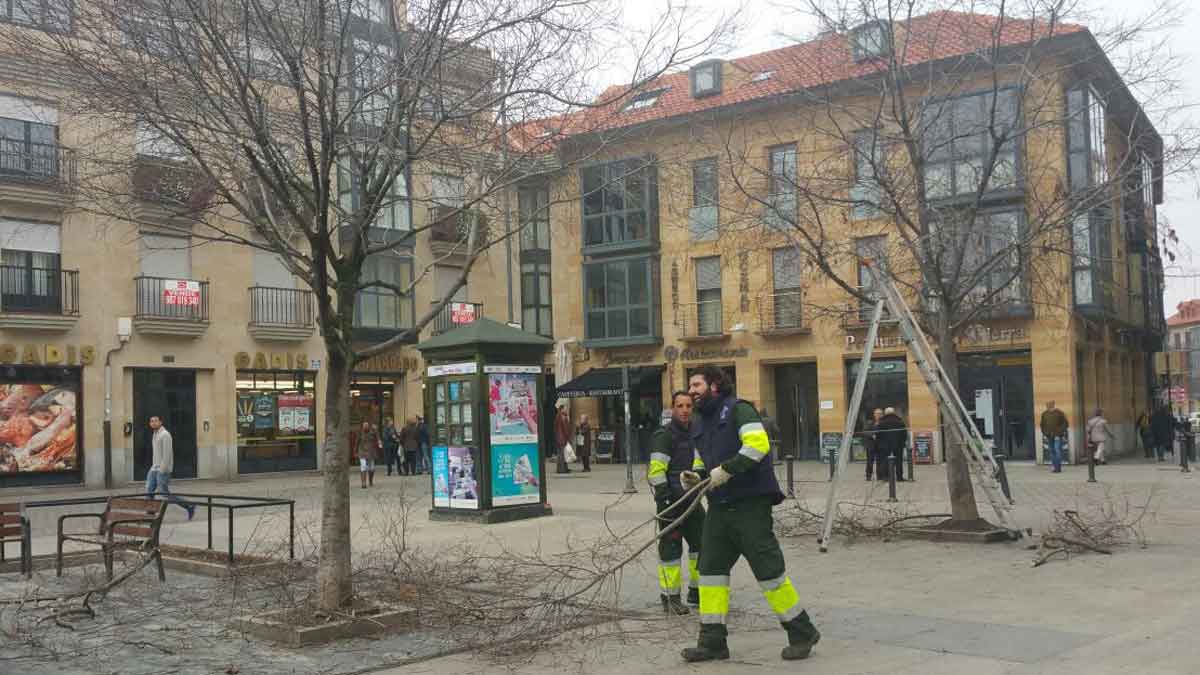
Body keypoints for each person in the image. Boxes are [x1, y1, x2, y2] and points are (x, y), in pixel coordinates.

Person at [678, 366, 819, 663]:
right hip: (719, 507)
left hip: (750, 504)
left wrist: (726, 471)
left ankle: (801, 631)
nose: (691, 391)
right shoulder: (700, 420)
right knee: (709, 572)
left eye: (696, 384)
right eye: (690, 385)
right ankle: (712, 641)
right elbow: (702, 458)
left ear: (714, 384)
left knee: (768, 571)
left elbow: (757, 446)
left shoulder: (739, 410)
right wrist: (697, 474)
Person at [648, 391, 707, 615]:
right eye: (680, 406)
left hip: (692, 500)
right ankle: (670, 597)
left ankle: (696, 590)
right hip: (671, 503)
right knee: (671, 551)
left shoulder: (695, 433)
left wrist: (699, 477)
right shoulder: (664, 435)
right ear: (672, 408)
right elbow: (656, 471)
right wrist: (664, 499)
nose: (684, 410)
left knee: (701, 546)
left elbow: (700, 462)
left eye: (688, 406)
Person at [145, 416, 195, 519]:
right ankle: (150, 514)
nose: (153, 423)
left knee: (164, 493)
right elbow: (157, 454)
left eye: (155, 421)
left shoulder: (165, 435)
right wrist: (153, 468)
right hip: (154, 468)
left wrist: (162, 470)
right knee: (149, 490)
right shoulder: (155, 434)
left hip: (162, 470)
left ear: (160, 422)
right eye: (151, 421)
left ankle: (189, 506)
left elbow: (167, 455)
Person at [875, 407, 907, 482]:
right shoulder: (900, 421)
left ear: (885, 413)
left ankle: (886, 477)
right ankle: (899, 477)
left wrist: (879, 443)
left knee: (885, 460)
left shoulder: (881, 422)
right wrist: (902, 443)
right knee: (899, 461)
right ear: (894, 412)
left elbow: (878, 434)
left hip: (885, 445)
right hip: (898, 445)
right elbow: (904, 434)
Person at [1039, 401, 1068, 473]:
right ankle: (1055, 467)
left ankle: (1058, 467)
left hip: (1057, 435)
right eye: (1047, 405)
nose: (1048, 406)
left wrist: (1059, 432)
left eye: (1049, 405)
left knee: (1057, 450)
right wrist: (1045, 433)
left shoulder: (1059, 413)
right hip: (1049, 435)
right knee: (1052, 451)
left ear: (1053, 405)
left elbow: (1065, 424)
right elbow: (1042, 424)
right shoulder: (1044, 414)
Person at [357, 421, 381, 488]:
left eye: (367, 426)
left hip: (371, 452)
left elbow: (378, 438)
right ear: (362, 427)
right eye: (364, 426)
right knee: (363, 466)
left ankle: (370, 480)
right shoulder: (360, 433)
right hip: (362, 452)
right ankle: (363, 483)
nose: (365, 427)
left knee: (372, 468)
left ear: (369, 426)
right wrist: (355, 451)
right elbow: (357, 442)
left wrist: (376, 430)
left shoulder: (373, 433)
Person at [864, 408, 883, 481]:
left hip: (880, 445)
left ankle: (880, 476)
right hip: (871, 445)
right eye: (877, 414)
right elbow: (865, 431)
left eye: (880, 414)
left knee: (880, 461)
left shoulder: (883, 423)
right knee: (869, 461)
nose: (879, 415)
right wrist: (872, 435)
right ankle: (868, 476)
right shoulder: (870, 422)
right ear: (874, 414)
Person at [554, 405, 572, 474]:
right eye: (565, 409)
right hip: (562, 438)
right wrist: (567, 437)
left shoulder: (559, 416)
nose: (566, 410)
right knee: (562, 454)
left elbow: (556, 428)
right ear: (561, 409)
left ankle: (563, 468)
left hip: (559, 438)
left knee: (562, 454)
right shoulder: (562, 417)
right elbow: (566, 429)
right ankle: (562, 469)